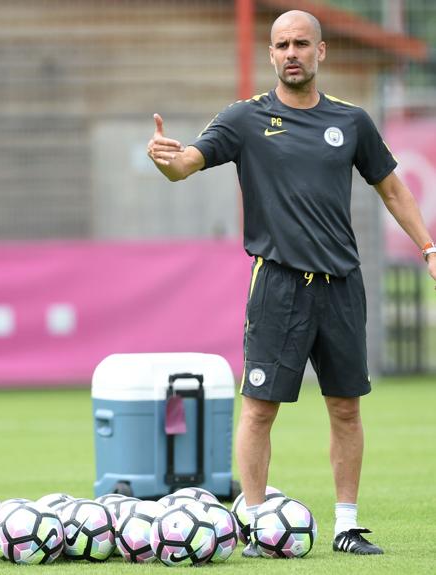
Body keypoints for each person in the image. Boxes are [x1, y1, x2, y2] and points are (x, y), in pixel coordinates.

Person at [147, 9, 436, 556]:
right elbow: (186, 164)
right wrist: (165, 159)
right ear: (272, 54)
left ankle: (347, 526)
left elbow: (392, 189)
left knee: (346, 407)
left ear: (320, 51)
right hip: (278, 285)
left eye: (302, 43)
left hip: (341, 285)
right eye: (281, 44)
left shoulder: (352, 122)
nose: (292, 53)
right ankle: (256, 525)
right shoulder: (245, 119)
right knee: (259, 407)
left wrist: (428, 247)